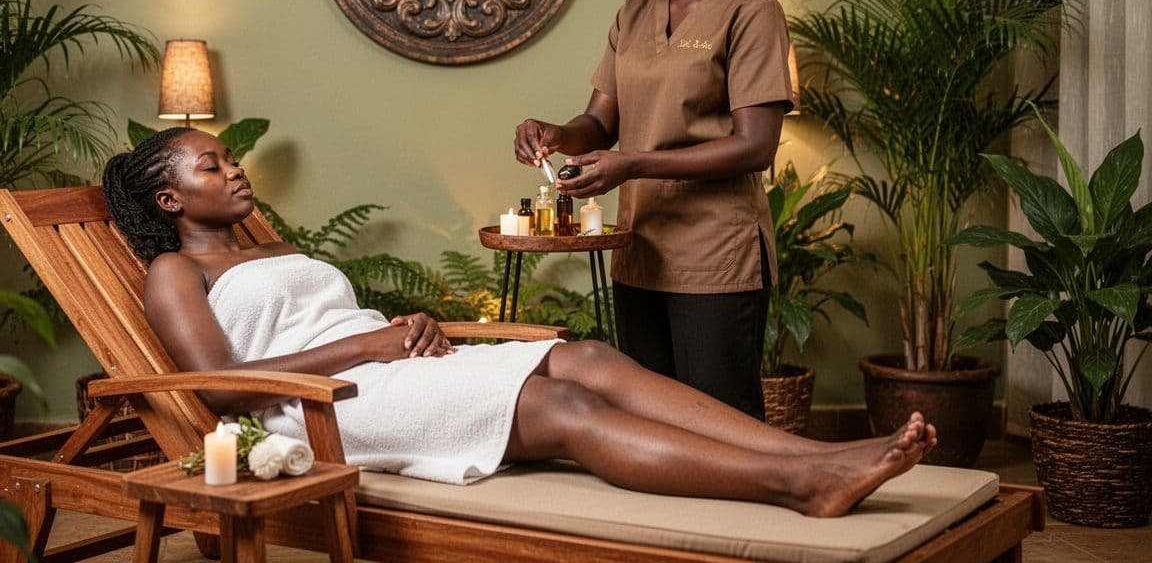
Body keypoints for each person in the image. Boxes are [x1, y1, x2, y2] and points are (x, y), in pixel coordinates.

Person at [101, 128, 935, 517]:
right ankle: (798, 485)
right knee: (564, 411)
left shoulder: (268, 244)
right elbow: (223, 394)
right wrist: (375, 343)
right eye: (212, 164)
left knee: (591, 357)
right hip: (321, 410)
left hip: (385, 367)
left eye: (228, 155)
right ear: (171, 199)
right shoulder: (177, 272)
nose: (234, 167)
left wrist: (410, 329)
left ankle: (817, 453)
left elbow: (331, 317)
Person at [514, 0, 791, 419]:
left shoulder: (752, 12)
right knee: (649, 419)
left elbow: (755, 146)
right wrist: (556, 134)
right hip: (641, 250)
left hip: (716, 256)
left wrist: (634, 164)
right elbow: (599, 122)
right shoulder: (633, 13)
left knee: (721, 421)